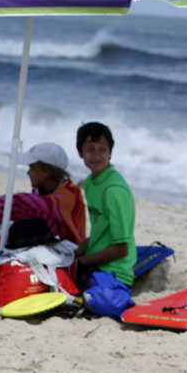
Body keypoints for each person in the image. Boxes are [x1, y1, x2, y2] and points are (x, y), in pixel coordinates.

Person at [74, 122, 136, 319]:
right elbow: (100, 231)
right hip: (97, 259)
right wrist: (73, 253)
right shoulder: (91, 182)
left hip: (115, 271)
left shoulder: (113, 190)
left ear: (110, 152)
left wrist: (82, 262)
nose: (96, 155)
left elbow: (121, 249)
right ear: (80, 153)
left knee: (97, 300)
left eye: (102, 150)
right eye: (90, 150)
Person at [0, 142, 87, 244]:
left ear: (45, 171)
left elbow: (2, 203)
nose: (28, 172)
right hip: (51, 242)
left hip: (69, 248)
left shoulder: (68, 194)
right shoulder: (44, 190)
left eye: (32, 168)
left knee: (5, 206)